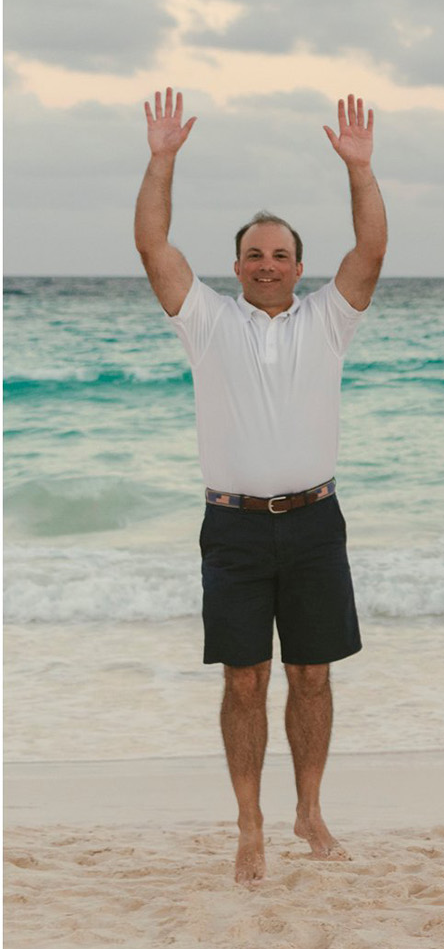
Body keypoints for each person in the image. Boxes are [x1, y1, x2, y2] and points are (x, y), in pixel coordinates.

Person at [133, 87, 387, 887]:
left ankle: (309, 809)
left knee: (313, 674)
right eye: (255, 254)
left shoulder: (328, 319)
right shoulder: (205, 319)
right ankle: (250, 822)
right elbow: (152, 243)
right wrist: (162, 158)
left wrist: (359, 170)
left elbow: (372, 248)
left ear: (299, 266)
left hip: (315, 521)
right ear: (236, 265)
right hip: (235, 529)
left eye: (280, 255)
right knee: (244, 679)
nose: (267, 265)